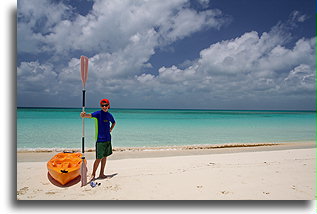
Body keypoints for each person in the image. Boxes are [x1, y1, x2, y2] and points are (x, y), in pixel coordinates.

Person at [80, 98, 116, 181]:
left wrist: (111, 129)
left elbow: (114, 122)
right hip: (100, 140)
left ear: (108, 106)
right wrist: (83, 115)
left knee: (105, 157)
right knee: (98, 158)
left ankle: (101, 174)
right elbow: (89, 115)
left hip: (108, 139)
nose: (104, 107)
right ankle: (93, 174)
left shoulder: (109, 115)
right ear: (100, 106)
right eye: (102, 105)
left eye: (106, 105)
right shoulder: (98, 114)